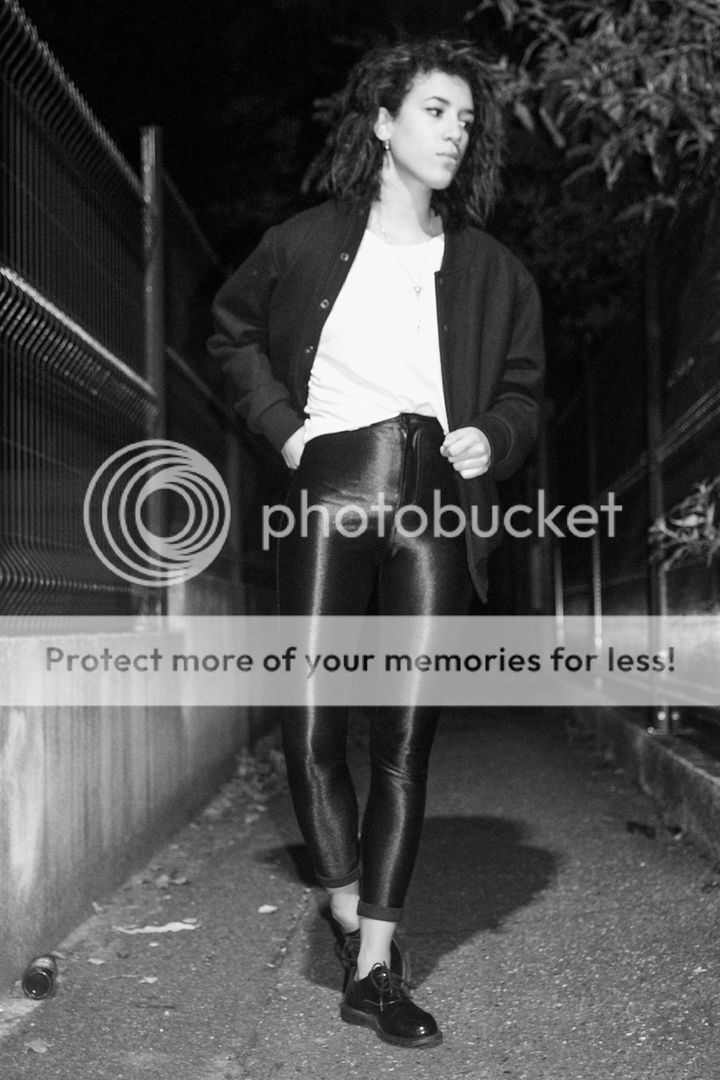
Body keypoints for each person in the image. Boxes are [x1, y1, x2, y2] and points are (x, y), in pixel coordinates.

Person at [208, 38, 544, 1049]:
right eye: (436, 111)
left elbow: (524, 389)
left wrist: (497, 435)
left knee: (403, 737)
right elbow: (232, 331)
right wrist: (286, 431)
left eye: (466, 119)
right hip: (332, 484)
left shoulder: (492, 270)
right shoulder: (304, 242)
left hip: (435, 496)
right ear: (384, 122)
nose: (456, 131)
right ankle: (352, 910)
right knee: (312, 725)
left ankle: (373, 968)